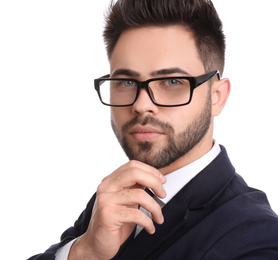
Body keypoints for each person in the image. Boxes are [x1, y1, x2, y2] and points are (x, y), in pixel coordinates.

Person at [28, 0, 278, 259]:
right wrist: (84, 252)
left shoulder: (259, 237)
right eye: (125, 81)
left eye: (172, 81)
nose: (141, 105)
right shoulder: (115, 196)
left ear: (216, 96)